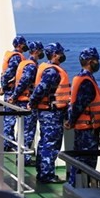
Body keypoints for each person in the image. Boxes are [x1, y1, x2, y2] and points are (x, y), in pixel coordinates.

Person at [29, 42, 70, 184]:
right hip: (51, 113)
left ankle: (43, 172)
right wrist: (32, 102)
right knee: (50, 144)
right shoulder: (52, 71)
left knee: (45, 142)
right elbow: (41, 89)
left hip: (48, 112)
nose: (63, 55)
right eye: (60, 53)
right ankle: (46, 174)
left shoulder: (46, 67)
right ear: (55, 55)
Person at [66, 47, 100, 186]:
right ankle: (78, 189)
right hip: (86, 130)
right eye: (96, 60)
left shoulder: (80, 78)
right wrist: (71, 121)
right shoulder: (86, 81)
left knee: (80, 161)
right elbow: (79, 105)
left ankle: (77, 188)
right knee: (86, 163)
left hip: (83, 128)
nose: (98, 63)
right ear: (89, 61)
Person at [9, 40, 44, 166]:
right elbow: (24, 82)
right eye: (40, 51)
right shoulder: (31, 66)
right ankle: (24, 159)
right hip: (26, 103)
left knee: (24, 130)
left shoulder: (25, 63)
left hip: (22, 102)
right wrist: (14, 96)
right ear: (36, 51)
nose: (42, 53)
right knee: (28, 132)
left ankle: (22, 157)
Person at [0, 35, 28, 151]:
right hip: (11, 91)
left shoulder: (14, 56)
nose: (26, 47)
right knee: (9, 118)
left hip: (10, 90)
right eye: (24, 44)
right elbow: (8, 74)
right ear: (20, 45)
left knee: (8, 117)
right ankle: (8, 144)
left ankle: (8, 143)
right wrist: (5, 88)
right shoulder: (16, 58)